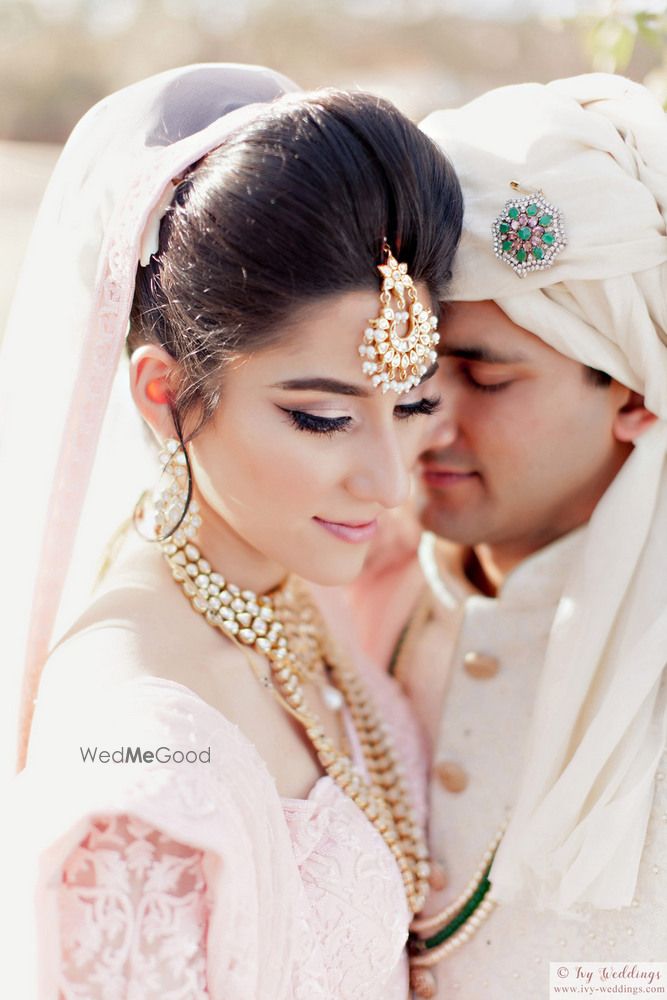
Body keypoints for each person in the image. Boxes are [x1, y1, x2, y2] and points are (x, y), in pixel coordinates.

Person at [0, 64, 464, 998]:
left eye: (412, 406)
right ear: (165, 395)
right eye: (323, 419)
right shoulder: (138, 758)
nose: (386, 480)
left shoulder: (282, 585)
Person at [345, 74, 667, 998]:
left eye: (484, 380)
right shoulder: (350, 582)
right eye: (406, 370)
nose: (423, 422)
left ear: (636, 393)